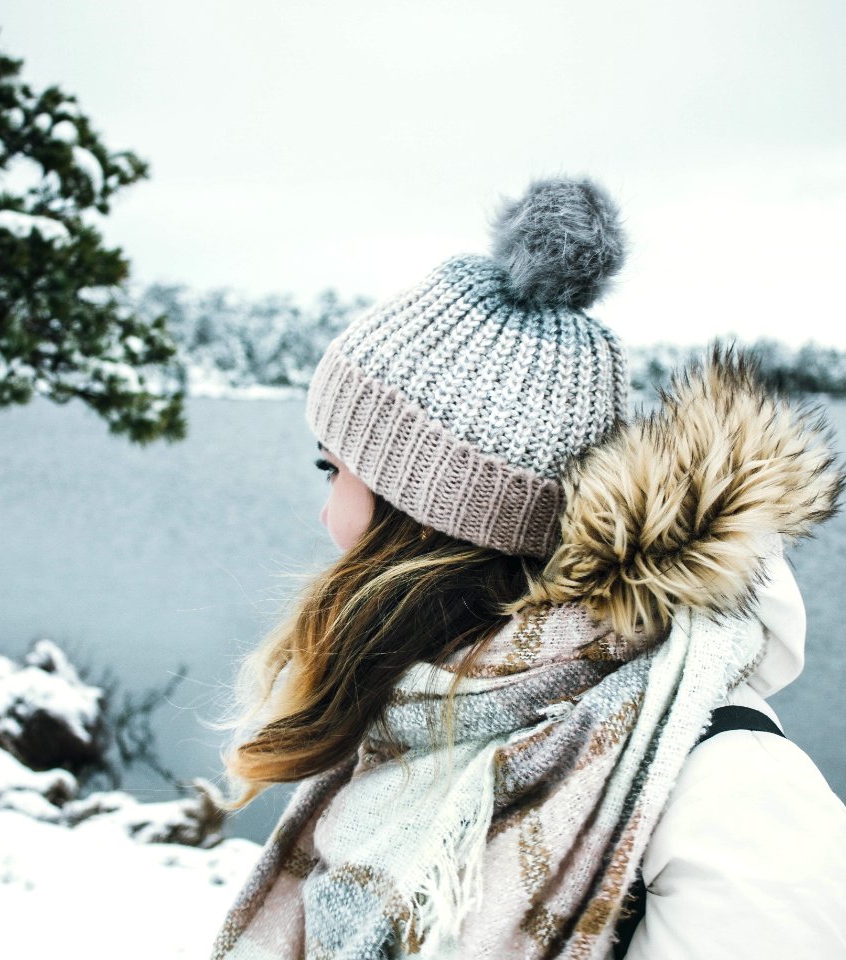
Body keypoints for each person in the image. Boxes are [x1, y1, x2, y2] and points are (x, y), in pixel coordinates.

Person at [210, 178, 846, 959]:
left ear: (429, 517)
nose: (325, 513)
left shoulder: (731, 795)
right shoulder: (418, 718)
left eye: (331, 468)